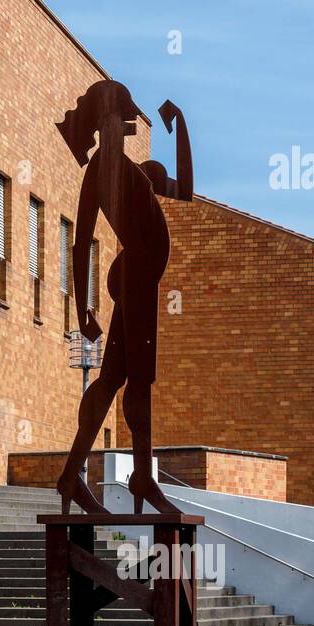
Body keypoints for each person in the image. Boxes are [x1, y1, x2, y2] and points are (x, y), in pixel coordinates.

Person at [54, 80, 193, 515]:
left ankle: (72, 476)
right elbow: (79, 245)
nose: (123, 126)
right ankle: (141, 479)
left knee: (115, 380)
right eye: (117, 119)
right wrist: (83, 309)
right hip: (135, 281)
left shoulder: (137, 170)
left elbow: (185, 190)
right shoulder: (98, 174)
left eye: (124, 120)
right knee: (136, 383)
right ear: (103, 123)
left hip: (140, 279)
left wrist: (182, 127)